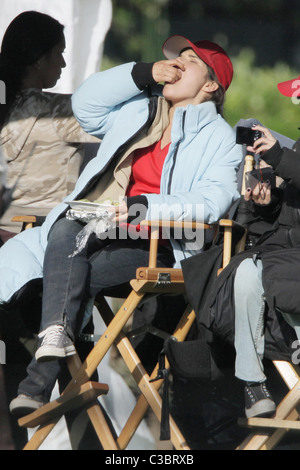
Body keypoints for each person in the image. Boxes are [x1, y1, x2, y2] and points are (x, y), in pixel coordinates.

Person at [1, 35, 242, 415]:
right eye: (174, 59)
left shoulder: (222, 140)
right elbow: (85, 104)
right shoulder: (140, 111)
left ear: (211, 84)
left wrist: (144, 206)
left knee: (65, 277)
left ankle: (41, 383)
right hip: (106, 223)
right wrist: (144, 72)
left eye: (189, 61)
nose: (177, 65)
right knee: (65, 229)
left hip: (165, 241)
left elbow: (212, 203)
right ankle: (58, 372)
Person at [230, 75, 300, 419]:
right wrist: (266, 201)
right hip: (284, 253)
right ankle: (252, 382)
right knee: (244, 272)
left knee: (276, 274)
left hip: (291, 260)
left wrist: (277, 155)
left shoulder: (292, 154)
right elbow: (288, 214)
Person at [0, 11, 99, 245]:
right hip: (41, 238)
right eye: (60, 53)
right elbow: (128, 124)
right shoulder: (59, 112)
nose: (64, 62)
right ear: (38, 60)